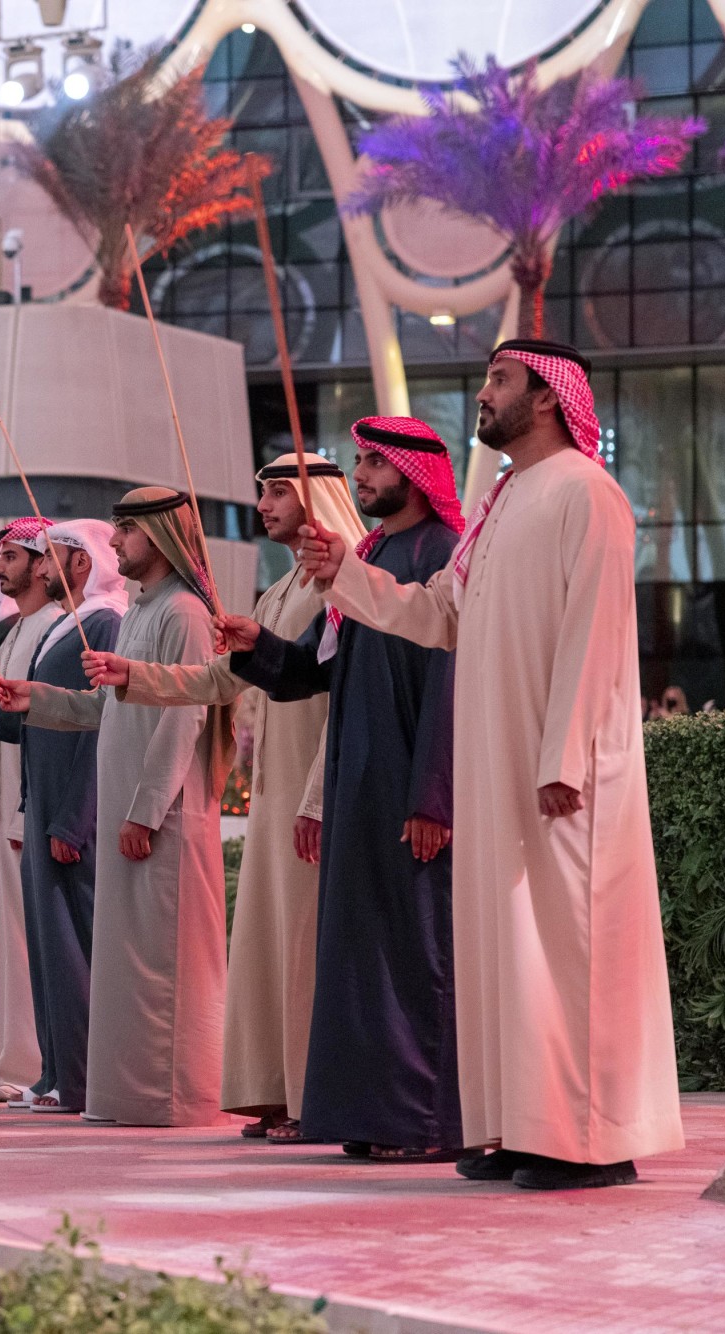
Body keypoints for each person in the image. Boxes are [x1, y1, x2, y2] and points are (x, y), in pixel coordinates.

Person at [300, 339, 683, 1189]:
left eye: (498, 381)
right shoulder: (504, 500)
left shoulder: (589, 493)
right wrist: (345, 579)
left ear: (548, 398)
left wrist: (565, 755)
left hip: (562, 766)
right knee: (502, 948)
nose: (482, 394)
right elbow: (443, 613)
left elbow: (595, 635)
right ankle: (518, 1124)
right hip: (495, 761)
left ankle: (589, 1142)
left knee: (567, 946)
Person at [202, 424, 461, 1159]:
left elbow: (449, 686)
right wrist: (257, 646)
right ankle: (368, 1115)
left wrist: (433, 797)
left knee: (415, 956)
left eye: (377, 462)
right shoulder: (370, 557)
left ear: (415, 472)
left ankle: (423, 1123)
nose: (365, 473)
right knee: (358, 958)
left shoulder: (443, 555)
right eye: (361, 462)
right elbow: (318, 672)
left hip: (411, 788)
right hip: (357, 784)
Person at [91, 459, 359, 1138]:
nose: (263, 504)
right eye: (263, 491)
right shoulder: (277, 595)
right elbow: (219, 681)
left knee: (306, 946)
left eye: (278, 492)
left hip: (315, 790)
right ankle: (276, 1089)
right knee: (270, 943)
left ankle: (314, 1096)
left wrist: (319, 794)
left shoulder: (346, 581)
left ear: (316, 499)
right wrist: (134, 675)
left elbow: (346, 703)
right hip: (274, 793)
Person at [0, 488, 232, 1127]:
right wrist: (38, 700)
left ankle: (174, 1098)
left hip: (164, 817)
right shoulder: (138, 611)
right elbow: (110, 709)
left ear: (155, 537)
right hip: (132, 811)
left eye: (126, 531)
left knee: (166, 963)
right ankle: (129, 1094)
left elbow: (186, 715)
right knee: (129, 968)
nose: (117, 543)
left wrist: (146, 810)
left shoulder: (183, 612)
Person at [0, 519, 127, 1114]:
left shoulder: (103, 622)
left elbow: (97, 728)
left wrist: (73, 819)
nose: (36, 568)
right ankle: (58, 1072)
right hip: (38, 802)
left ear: (82, 563)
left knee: (73, 951)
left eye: (46, 557)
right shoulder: (62, 624)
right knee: (47, 952)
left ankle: (83, 1078)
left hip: (67, 811)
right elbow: (18, 719)